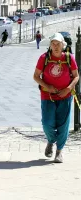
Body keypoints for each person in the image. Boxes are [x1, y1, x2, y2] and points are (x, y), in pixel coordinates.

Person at [33, 32, 79, 163]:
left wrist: (68, 88)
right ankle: (51, 140)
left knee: (63, 125)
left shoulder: (69, 58)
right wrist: (47, 86)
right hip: (47, 96)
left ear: (63, 45)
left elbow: (76, 76)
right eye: (53, 44)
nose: (55, 46)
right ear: (50, 45)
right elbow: (36, 76)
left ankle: (59, 151)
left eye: (58, 44)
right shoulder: (44, 58)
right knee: (47, 123)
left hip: (65, 96)